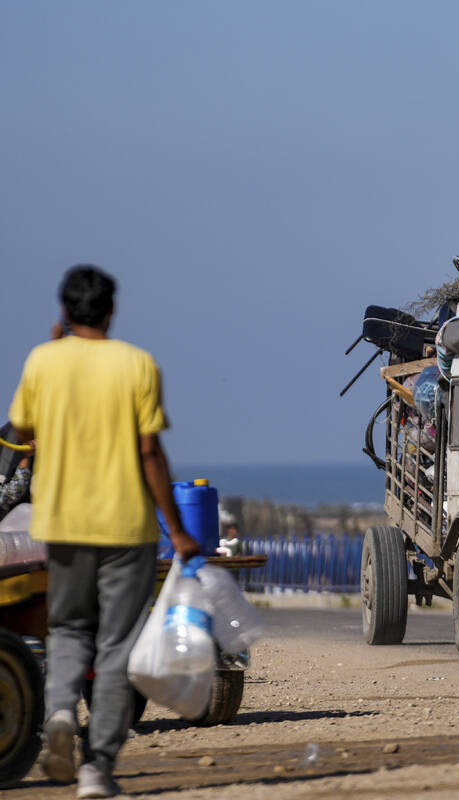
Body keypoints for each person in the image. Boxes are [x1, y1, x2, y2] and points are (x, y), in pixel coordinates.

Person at [8, 265, 201, 797]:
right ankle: (97, 770)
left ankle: (62, 712)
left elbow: (22, 432)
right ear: (111, 311)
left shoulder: (42, 362)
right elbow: (149, 453)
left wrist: (53, 350)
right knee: (116, 645)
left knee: (67, 629)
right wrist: (179, 532)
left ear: (65, 312)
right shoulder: (137, 364)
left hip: (63, 525)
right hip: (126, 528)